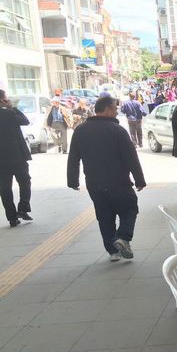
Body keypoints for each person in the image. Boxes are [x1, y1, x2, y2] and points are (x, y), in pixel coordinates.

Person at [67, 96, 146, 261]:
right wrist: (139, 179)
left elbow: (73, 158)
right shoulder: (117, 130)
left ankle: (113, 252)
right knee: (129, 208)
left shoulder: (80, 130)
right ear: (108, 109)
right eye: (115, 109)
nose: (117, 112)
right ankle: (123, 237)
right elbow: (131, 158)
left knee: (104, 216)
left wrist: (73, 180)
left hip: (94, 184)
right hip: (119, 182)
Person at [0, 89, 32, 227]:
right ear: (3, 99)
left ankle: (12, 217)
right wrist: (11, 107)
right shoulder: (9, 113)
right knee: (25, 181)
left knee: (4, 188)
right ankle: (23, 208)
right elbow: (25, 121)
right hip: (16, 156)